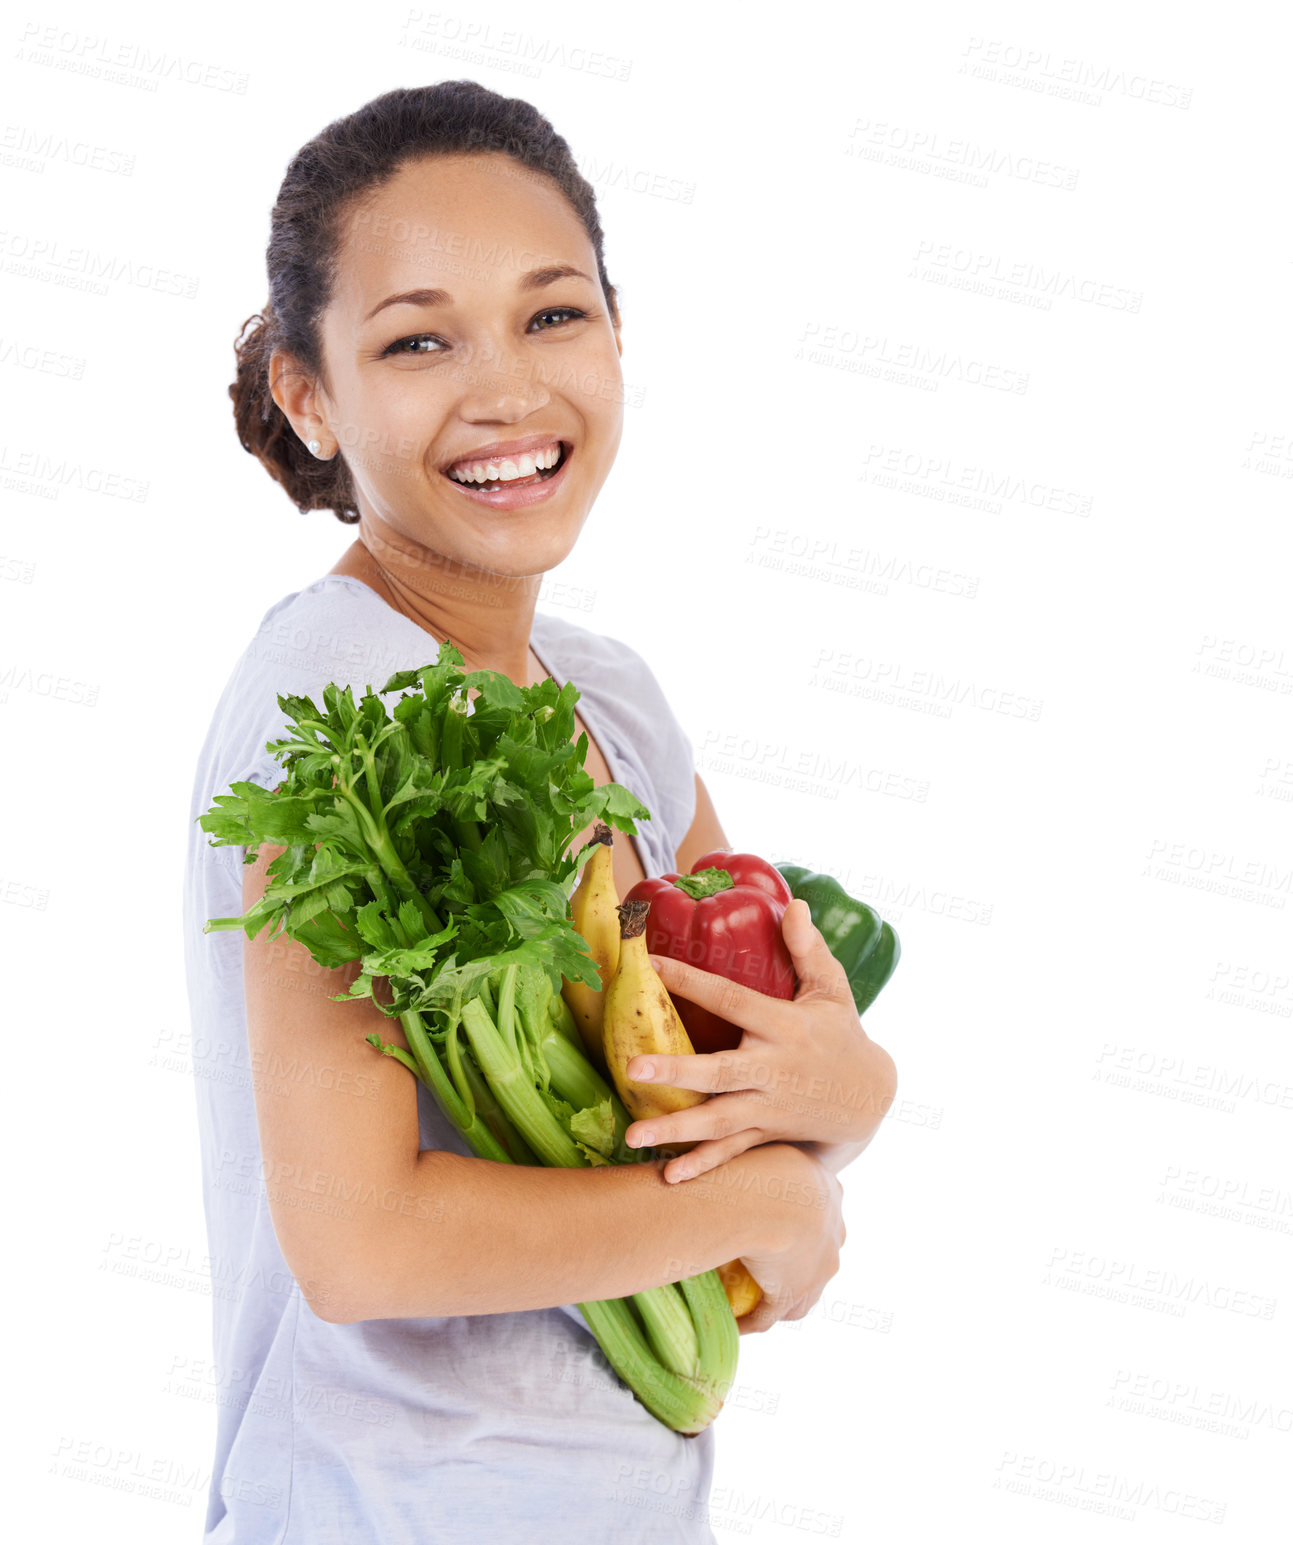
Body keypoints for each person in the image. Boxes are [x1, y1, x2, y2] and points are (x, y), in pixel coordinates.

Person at [182, 80, 898, 1544]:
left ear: (618, 331)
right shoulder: (334, 697)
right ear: (308, 394)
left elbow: (740, 1062)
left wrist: (851, 1094)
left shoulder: (610, 696)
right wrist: (764, 1210)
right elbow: (359, 1238)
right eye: (417, 339)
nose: (506, 390)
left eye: (552, 314)